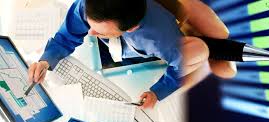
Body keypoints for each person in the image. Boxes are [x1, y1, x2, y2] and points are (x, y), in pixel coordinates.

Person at [28, 0, 237, 109]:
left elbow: (176, 71)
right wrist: (46, 60)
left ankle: (209, 44)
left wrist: (157, 92)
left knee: (214, 61)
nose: (89, 33)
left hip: (176, 43)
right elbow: (67, 36)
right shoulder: (90, 5)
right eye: (90, 24)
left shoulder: (160, 40)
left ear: (131, 28)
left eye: (99, 31)